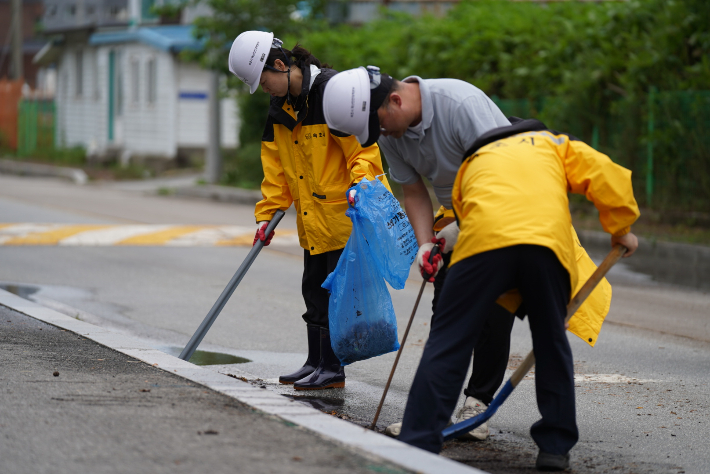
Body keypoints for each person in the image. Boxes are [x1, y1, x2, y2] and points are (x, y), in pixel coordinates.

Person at [322, 66, 613, 440]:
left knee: (496, 311)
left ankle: (477, 403)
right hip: (457, 217)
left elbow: (504, 177)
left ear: (394, 100)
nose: (380, 136)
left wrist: (455, 233)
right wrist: (427, 243)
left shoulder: (459, 103)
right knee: (447, 315)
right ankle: (432, 419)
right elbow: (413, 192)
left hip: (509, 211)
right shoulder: (390, 132)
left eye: (379, 125)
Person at [398, 118, 640, 470]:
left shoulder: (472, 161)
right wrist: (621, 229)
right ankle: (554, 449)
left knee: (449, 340)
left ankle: (418, 439)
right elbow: (607, 176)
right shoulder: (554, 144)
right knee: (550, 343)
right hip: (544, 249)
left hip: (481, 247)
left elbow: (465, 214)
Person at [227, 33, 391, 390]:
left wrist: (361, 189)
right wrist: (266, 216)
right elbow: (276, 172)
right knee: (313, 291)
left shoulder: (334, 93)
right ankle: (315, 360)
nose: (265, 89)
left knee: (335, 296)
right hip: (311, 222)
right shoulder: (280, 109)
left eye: (265, 80)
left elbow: (363, 151)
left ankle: (333, 367)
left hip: (344, 217)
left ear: (281, 65)